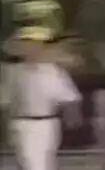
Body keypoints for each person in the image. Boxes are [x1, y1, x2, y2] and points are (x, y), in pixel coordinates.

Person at [0, 25, 82, 170]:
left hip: (48, 124)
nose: (32, 49)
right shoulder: (13, 72)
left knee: (43, 163)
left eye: (37, 45)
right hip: (22, 124)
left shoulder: (54, 71)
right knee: (31, 162)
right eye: (28, 45)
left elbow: (68, 97)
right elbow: (5, 101)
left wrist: (72, 117)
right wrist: (7, 128)